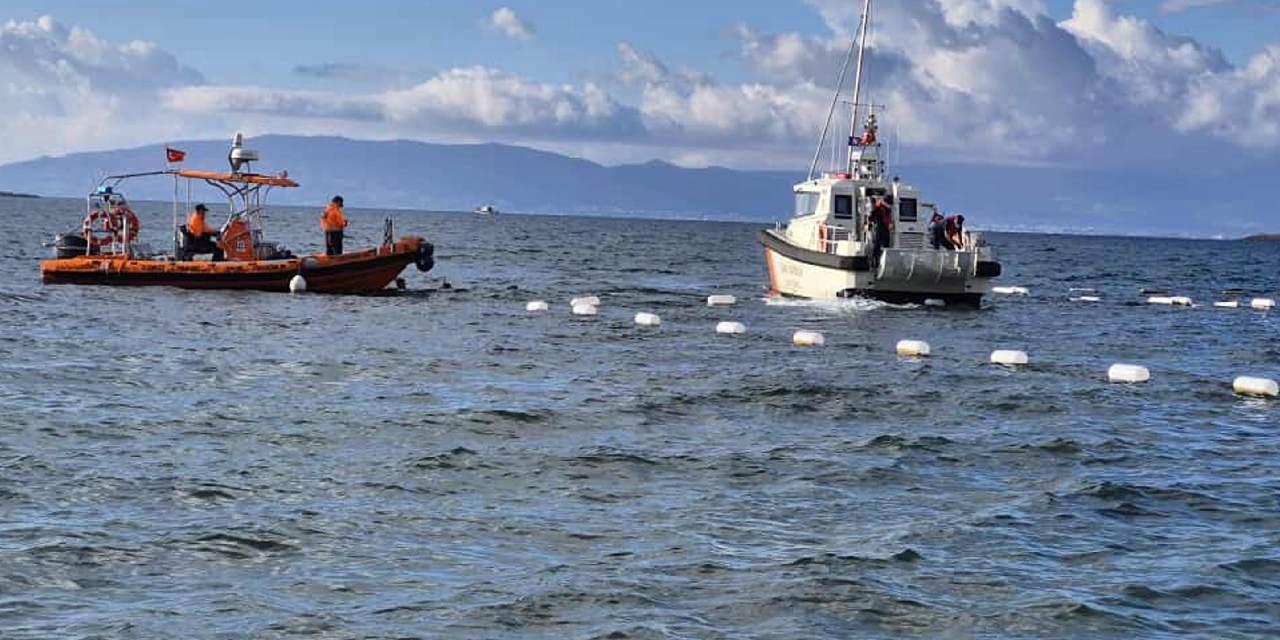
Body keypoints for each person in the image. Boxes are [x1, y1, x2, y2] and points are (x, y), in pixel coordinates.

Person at [867, 195, 894, 265]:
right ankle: (875, 261)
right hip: (879, 228)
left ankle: (881, 260)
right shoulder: (879, 207)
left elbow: (871, 217)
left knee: (883, 245)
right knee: (878, 245)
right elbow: (871, 217)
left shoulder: (885, 208)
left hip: (883, 228)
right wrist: (870, 225)